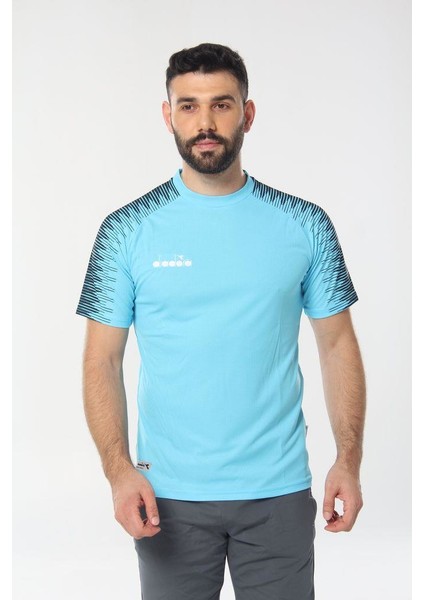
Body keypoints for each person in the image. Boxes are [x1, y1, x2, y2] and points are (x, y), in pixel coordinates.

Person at [76, 42, 366, 600]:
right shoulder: (126, 231)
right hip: (166, 496)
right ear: (168, 116)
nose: (205, 123)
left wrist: (348, 460)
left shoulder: (305, 225)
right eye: (188, 106)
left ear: (247, 114)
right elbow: (101, 360)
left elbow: (337, 346)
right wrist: (119, 471)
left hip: (278, 490)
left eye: (221, 105)